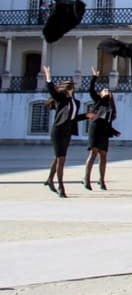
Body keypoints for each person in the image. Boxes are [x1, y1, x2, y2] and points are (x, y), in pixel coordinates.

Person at [42, 66, 90, 198]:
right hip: (58, 131)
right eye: (70, 87)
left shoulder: (76, 102)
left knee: (59, 157)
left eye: (72, 87)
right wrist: (48, 76)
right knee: (61, 159)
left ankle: (50, 179)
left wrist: (87, 115)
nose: (72, 89)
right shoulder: (61, 99)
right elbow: (52, 91)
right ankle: (61, 186)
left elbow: (73, 118)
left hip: (67, 132)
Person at [83, 68, 120, 191]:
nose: (107, 91)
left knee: (103, 156)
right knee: (93, 154)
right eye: (104, 90)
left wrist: (114, 132)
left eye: (108, 90)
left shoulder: (111, 107)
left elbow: (108, 123)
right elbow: (91, 90)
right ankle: (86, 179)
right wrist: (94, 77)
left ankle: (101, 180)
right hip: (95, 129)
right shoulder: (98, 101)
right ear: (101, 93)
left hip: (104, 131)